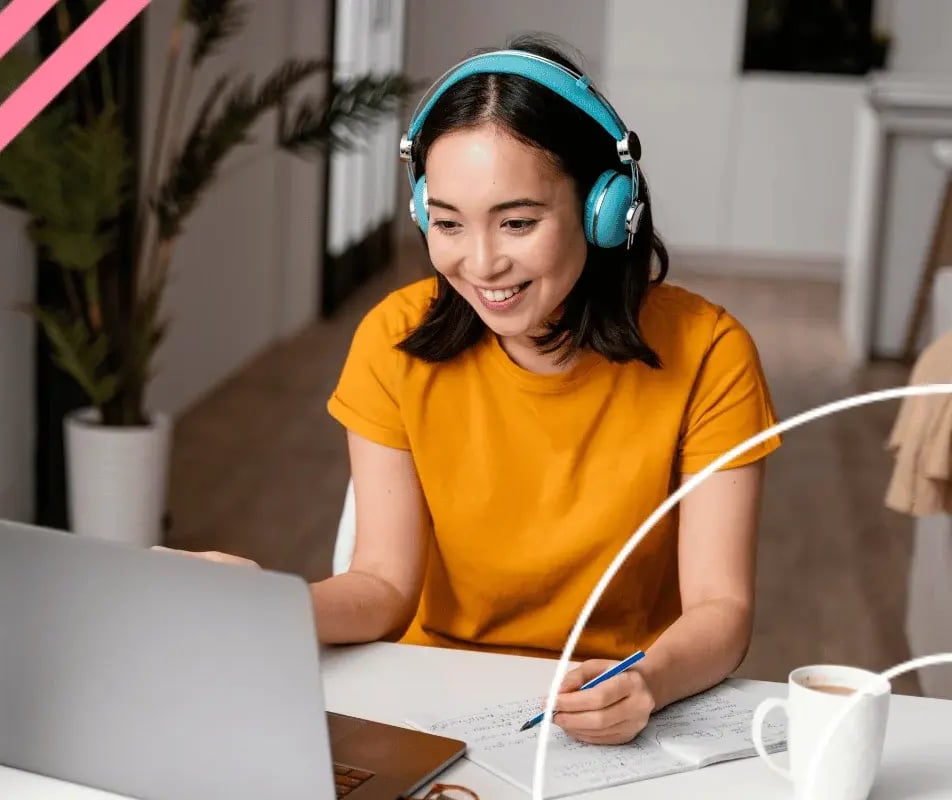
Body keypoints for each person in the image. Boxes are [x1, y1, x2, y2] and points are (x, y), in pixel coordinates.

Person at [160, 32, 781, 746]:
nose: (482, 262)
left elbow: (720, 607)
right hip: (428, 698)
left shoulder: (711, 354)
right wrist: (266, 605)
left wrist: (646, 681)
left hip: (613, 703)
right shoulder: (392, 341)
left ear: (605, 209)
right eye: (449, 223)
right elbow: (385, 587)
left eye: (517, 222)